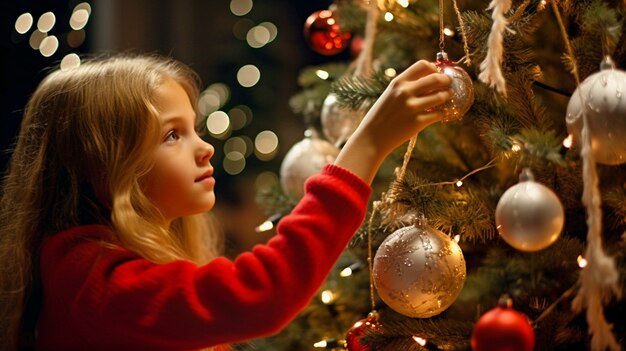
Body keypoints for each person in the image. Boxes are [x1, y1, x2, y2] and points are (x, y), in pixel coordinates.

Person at [0, 53, 452, 350]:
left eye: (194, 128)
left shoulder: (88, 265)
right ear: (103, 162)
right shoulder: (92, 283)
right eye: (172, 134)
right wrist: (368, 144)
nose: (205, 147)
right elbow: (263, 294)